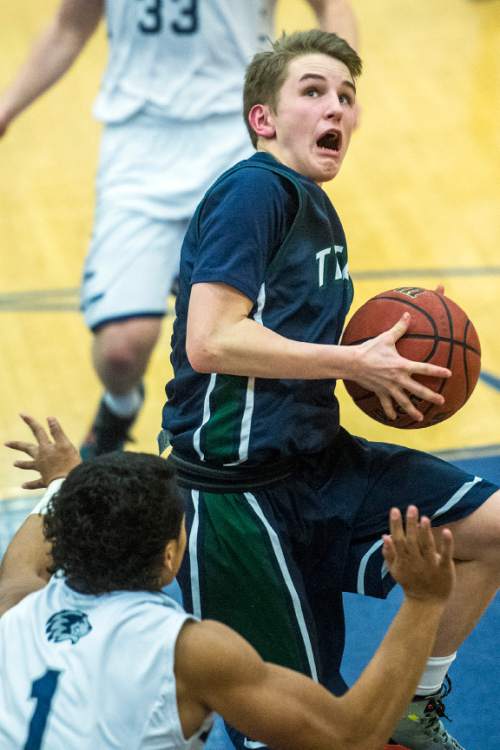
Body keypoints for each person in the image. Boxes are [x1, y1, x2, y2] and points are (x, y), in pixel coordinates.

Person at [158, 30, 500, 750]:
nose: (335, 107)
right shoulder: (256, 188)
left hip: (321, 465)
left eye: (347, 96)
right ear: (263, 119)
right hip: (240, 499)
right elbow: (211, 340)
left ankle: (416, 698)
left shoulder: (312, 206)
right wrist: (353, 365)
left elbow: (292, 338)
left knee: (490, 532)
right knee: (302, 734)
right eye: (313, 91)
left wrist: (402, 337)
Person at [0, 0, 358, 460]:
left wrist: (336, 96)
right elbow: (69, 28)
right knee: (120, 351)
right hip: (138, 145)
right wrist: (7, 107)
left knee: (239, 328)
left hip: (237, 138)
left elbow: (332, 7)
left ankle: (246, 456)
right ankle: (120, 406)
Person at [1, 414, 454, 750]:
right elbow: (350, 736)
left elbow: (33, 553)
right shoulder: (187, 652)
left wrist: (63, 478)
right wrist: (424, 601)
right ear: (170, 557)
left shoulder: (14, 606)